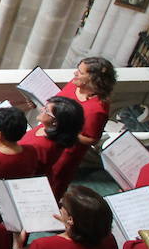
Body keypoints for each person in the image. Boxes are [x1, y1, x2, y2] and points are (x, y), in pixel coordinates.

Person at [49, 57, 117, 199]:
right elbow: (57, 102)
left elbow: (92, 138)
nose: (75, 74)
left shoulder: (97, 108)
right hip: (51, 139)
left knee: (52, 184)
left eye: (80, 72)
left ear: (92, 78)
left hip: (65, 153)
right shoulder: (74, 85)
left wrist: (66, 129)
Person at [18, 96, 86, 184]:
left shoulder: (45, 146)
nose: (42, 109)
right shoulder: (46, 127)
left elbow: (22, 166)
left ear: (55, 121)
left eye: (46, 110)